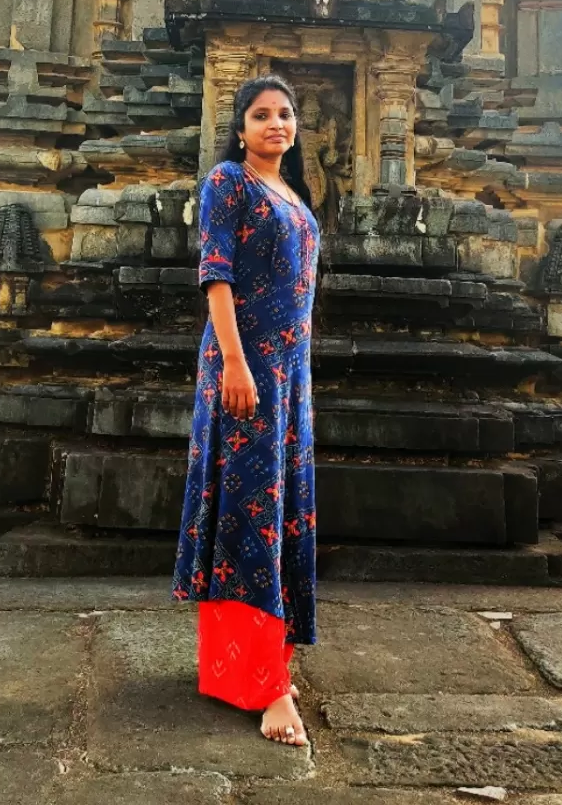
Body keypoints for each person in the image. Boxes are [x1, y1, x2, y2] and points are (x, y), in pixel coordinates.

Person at [171, 74, 320, 747]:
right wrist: (234, 363)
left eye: (285, 114)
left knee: (277, 508)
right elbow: (217, 273)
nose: (276, 123)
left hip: (289, 379)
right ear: (241, 128)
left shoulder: (293, 192)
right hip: (245, 372)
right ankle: (267, 690)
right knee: (249, 508)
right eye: (261, 114)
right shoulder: (229, 182)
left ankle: (251, 664)